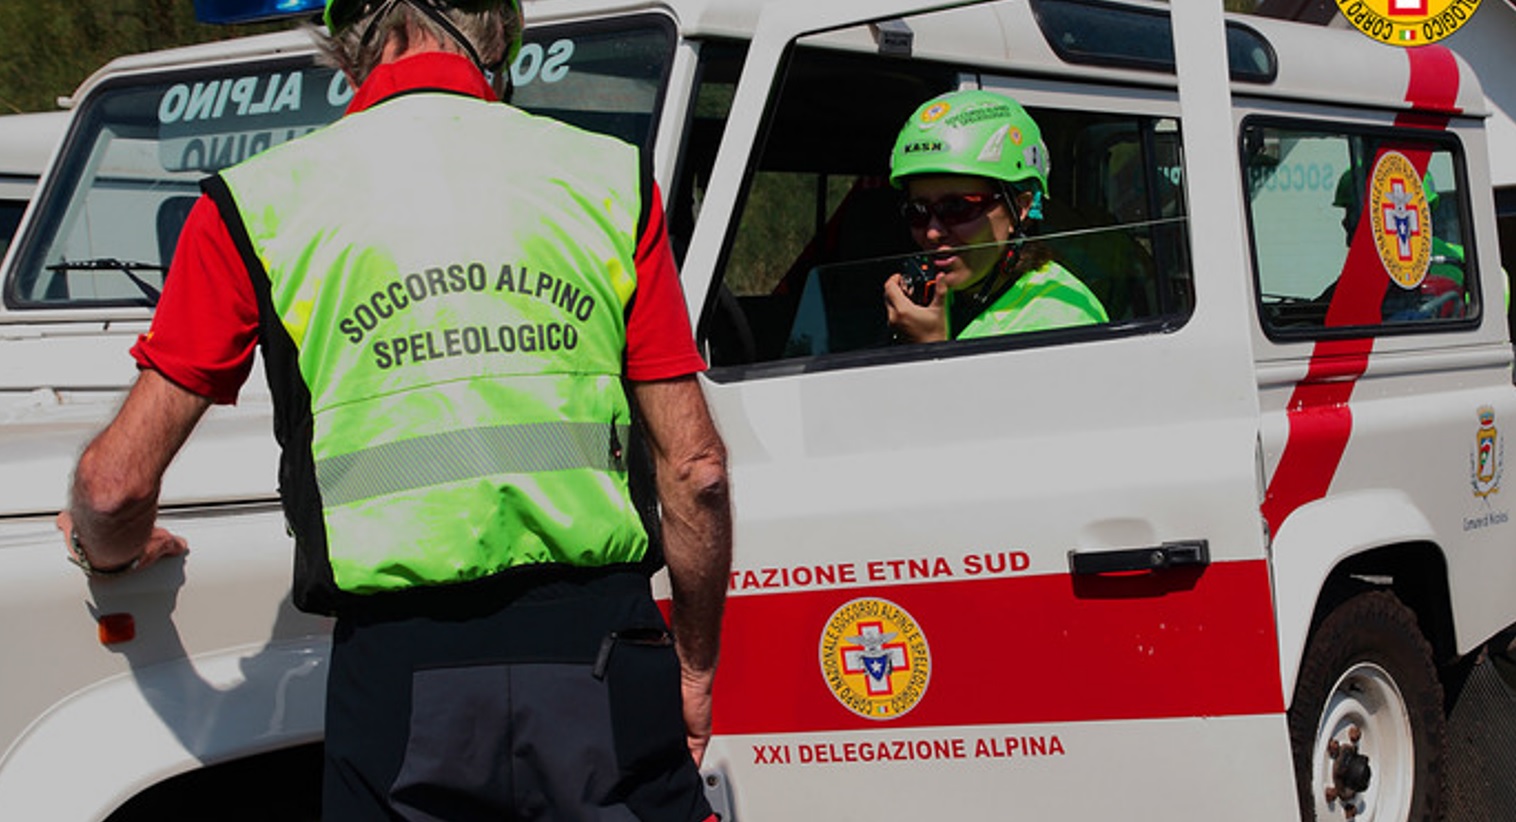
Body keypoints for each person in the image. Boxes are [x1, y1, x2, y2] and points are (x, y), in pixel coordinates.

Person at [56, 0, 732, 819]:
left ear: (346, 44)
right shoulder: (608, 179)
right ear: (501, 30)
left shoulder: (259, 200)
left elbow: (113, 487)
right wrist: (693, 668)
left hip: (402, 680)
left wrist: (112, 555)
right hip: (601, 659)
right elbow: (695, 471)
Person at [883, 89, 1107, 343]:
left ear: (1020, 209)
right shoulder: (935, 293)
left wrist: (932, 348)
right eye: (918, 212)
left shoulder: (1063, 319)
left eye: (957, 208)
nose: (933, 232)